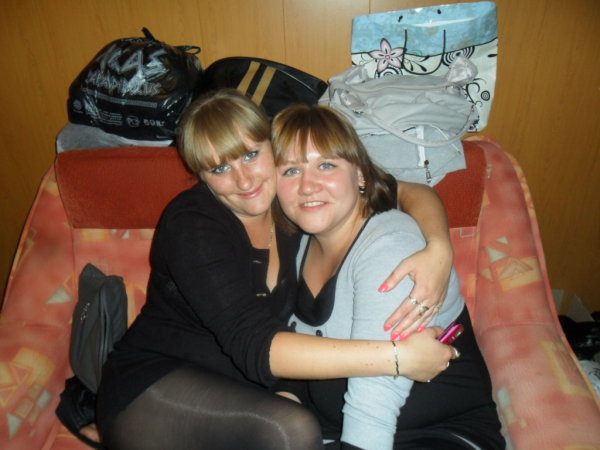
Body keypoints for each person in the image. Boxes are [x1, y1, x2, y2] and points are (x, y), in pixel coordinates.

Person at [94, 89, 457, 449]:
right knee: (291, 429)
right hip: (155, 389)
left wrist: (439, 247)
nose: (244, 181)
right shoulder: (193, 225)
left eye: (250, 155)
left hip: (243, 393)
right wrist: (397, 358)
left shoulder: (294, 201)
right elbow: (255, 342)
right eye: (220, 168)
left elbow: (406, 192)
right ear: (202, 176)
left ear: (273, 147)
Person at [271, 104, 505, 450]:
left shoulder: (390, 249)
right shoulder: (298, 244)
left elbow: (373, 408)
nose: (307, 186)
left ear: (360, 175)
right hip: (327, 431)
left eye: (326, 165)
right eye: (291, 170)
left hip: (435, 436)